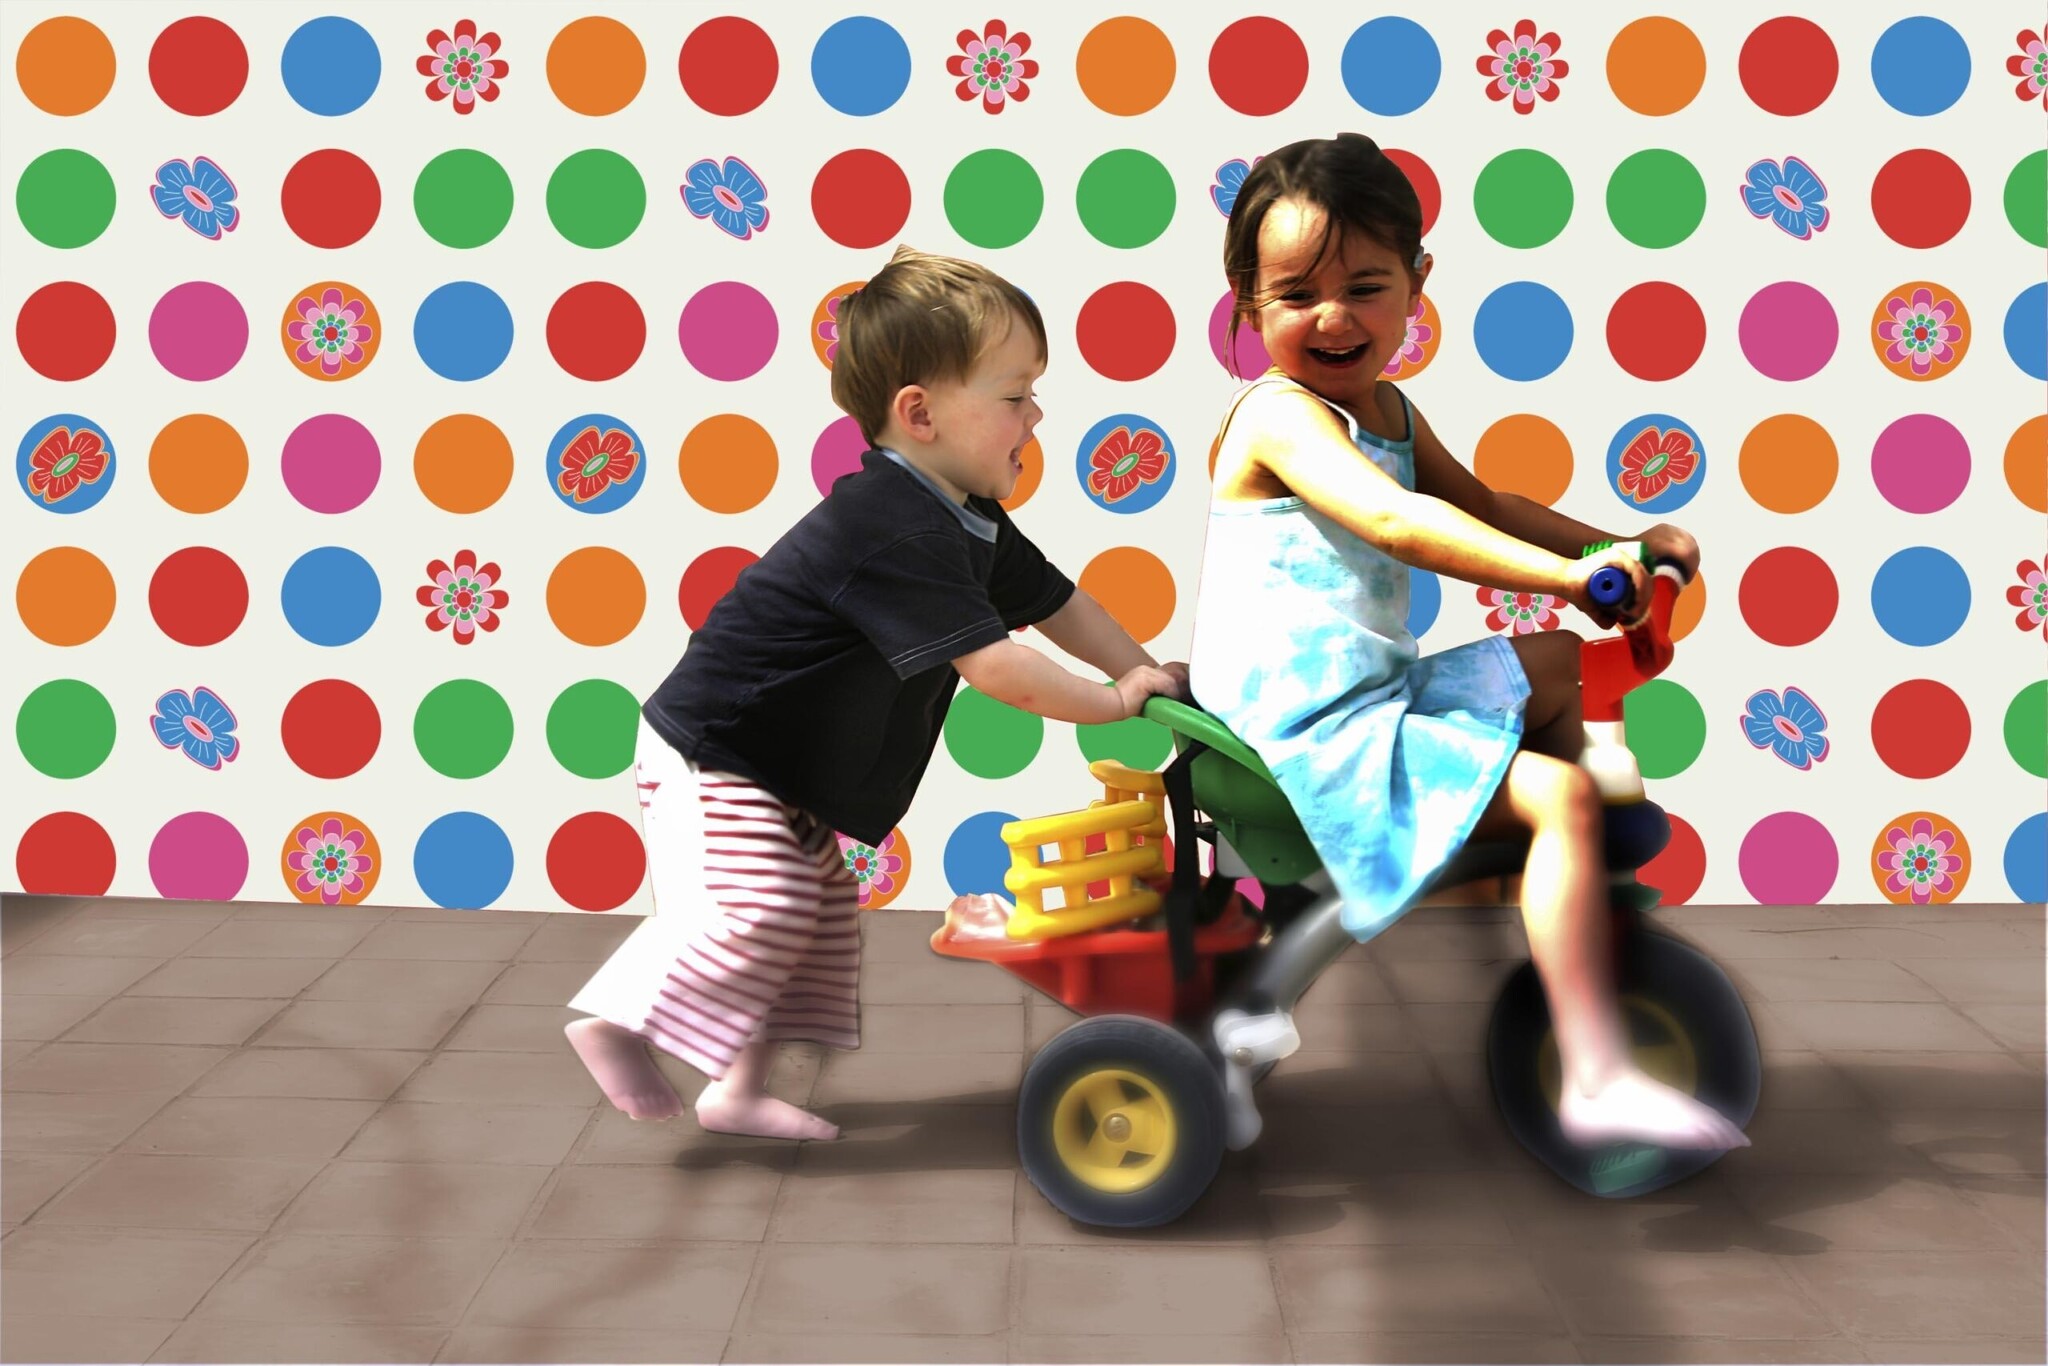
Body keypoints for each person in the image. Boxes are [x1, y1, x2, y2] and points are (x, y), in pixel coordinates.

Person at [1188, 134, 1748, 1151]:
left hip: (1365, 694)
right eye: (1296, 295)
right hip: (1300, 727)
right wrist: (1568, 579)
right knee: (1561, 794)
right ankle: (1593, 1075)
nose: (1333, 318)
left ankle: (1554, 881)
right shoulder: (1277, 418)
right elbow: (1395, 521)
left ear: (1417, 284)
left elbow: (1485, 504)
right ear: (1247, 300)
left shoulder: (1388, 409)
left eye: (1365, 288)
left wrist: (1614, 547)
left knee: (1560, 663)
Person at [564, 246, 1187, 1141]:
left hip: (775, 765)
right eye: (1016, 395)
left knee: (814, 916)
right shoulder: (894, 525)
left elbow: (1062, 606)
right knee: (760, 908)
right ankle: (621, 1022)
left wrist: (1152, 675)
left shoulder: (966, 517)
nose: (1037, 414)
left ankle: (734, 1089)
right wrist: (1117, 703)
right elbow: (997, 669)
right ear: (920, 413)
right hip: (716, 750)